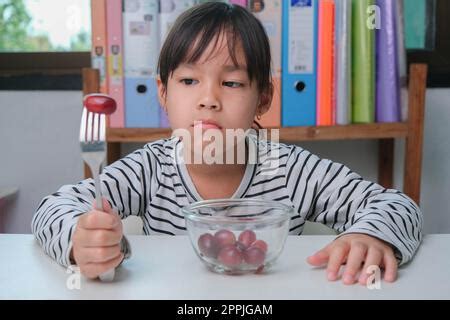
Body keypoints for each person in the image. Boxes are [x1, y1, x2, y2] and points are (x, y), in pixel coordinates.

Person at [32, 2, 422, 285]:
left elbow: (398, 204)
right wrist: (77, 240)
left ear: (263, 98)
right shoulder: (152, 167)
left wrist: (370, 235)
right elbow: (52, 207)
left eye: (232, 83)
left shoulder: (284, 166)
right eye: (189, 81)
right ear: (163, 93)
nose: (209, 99)